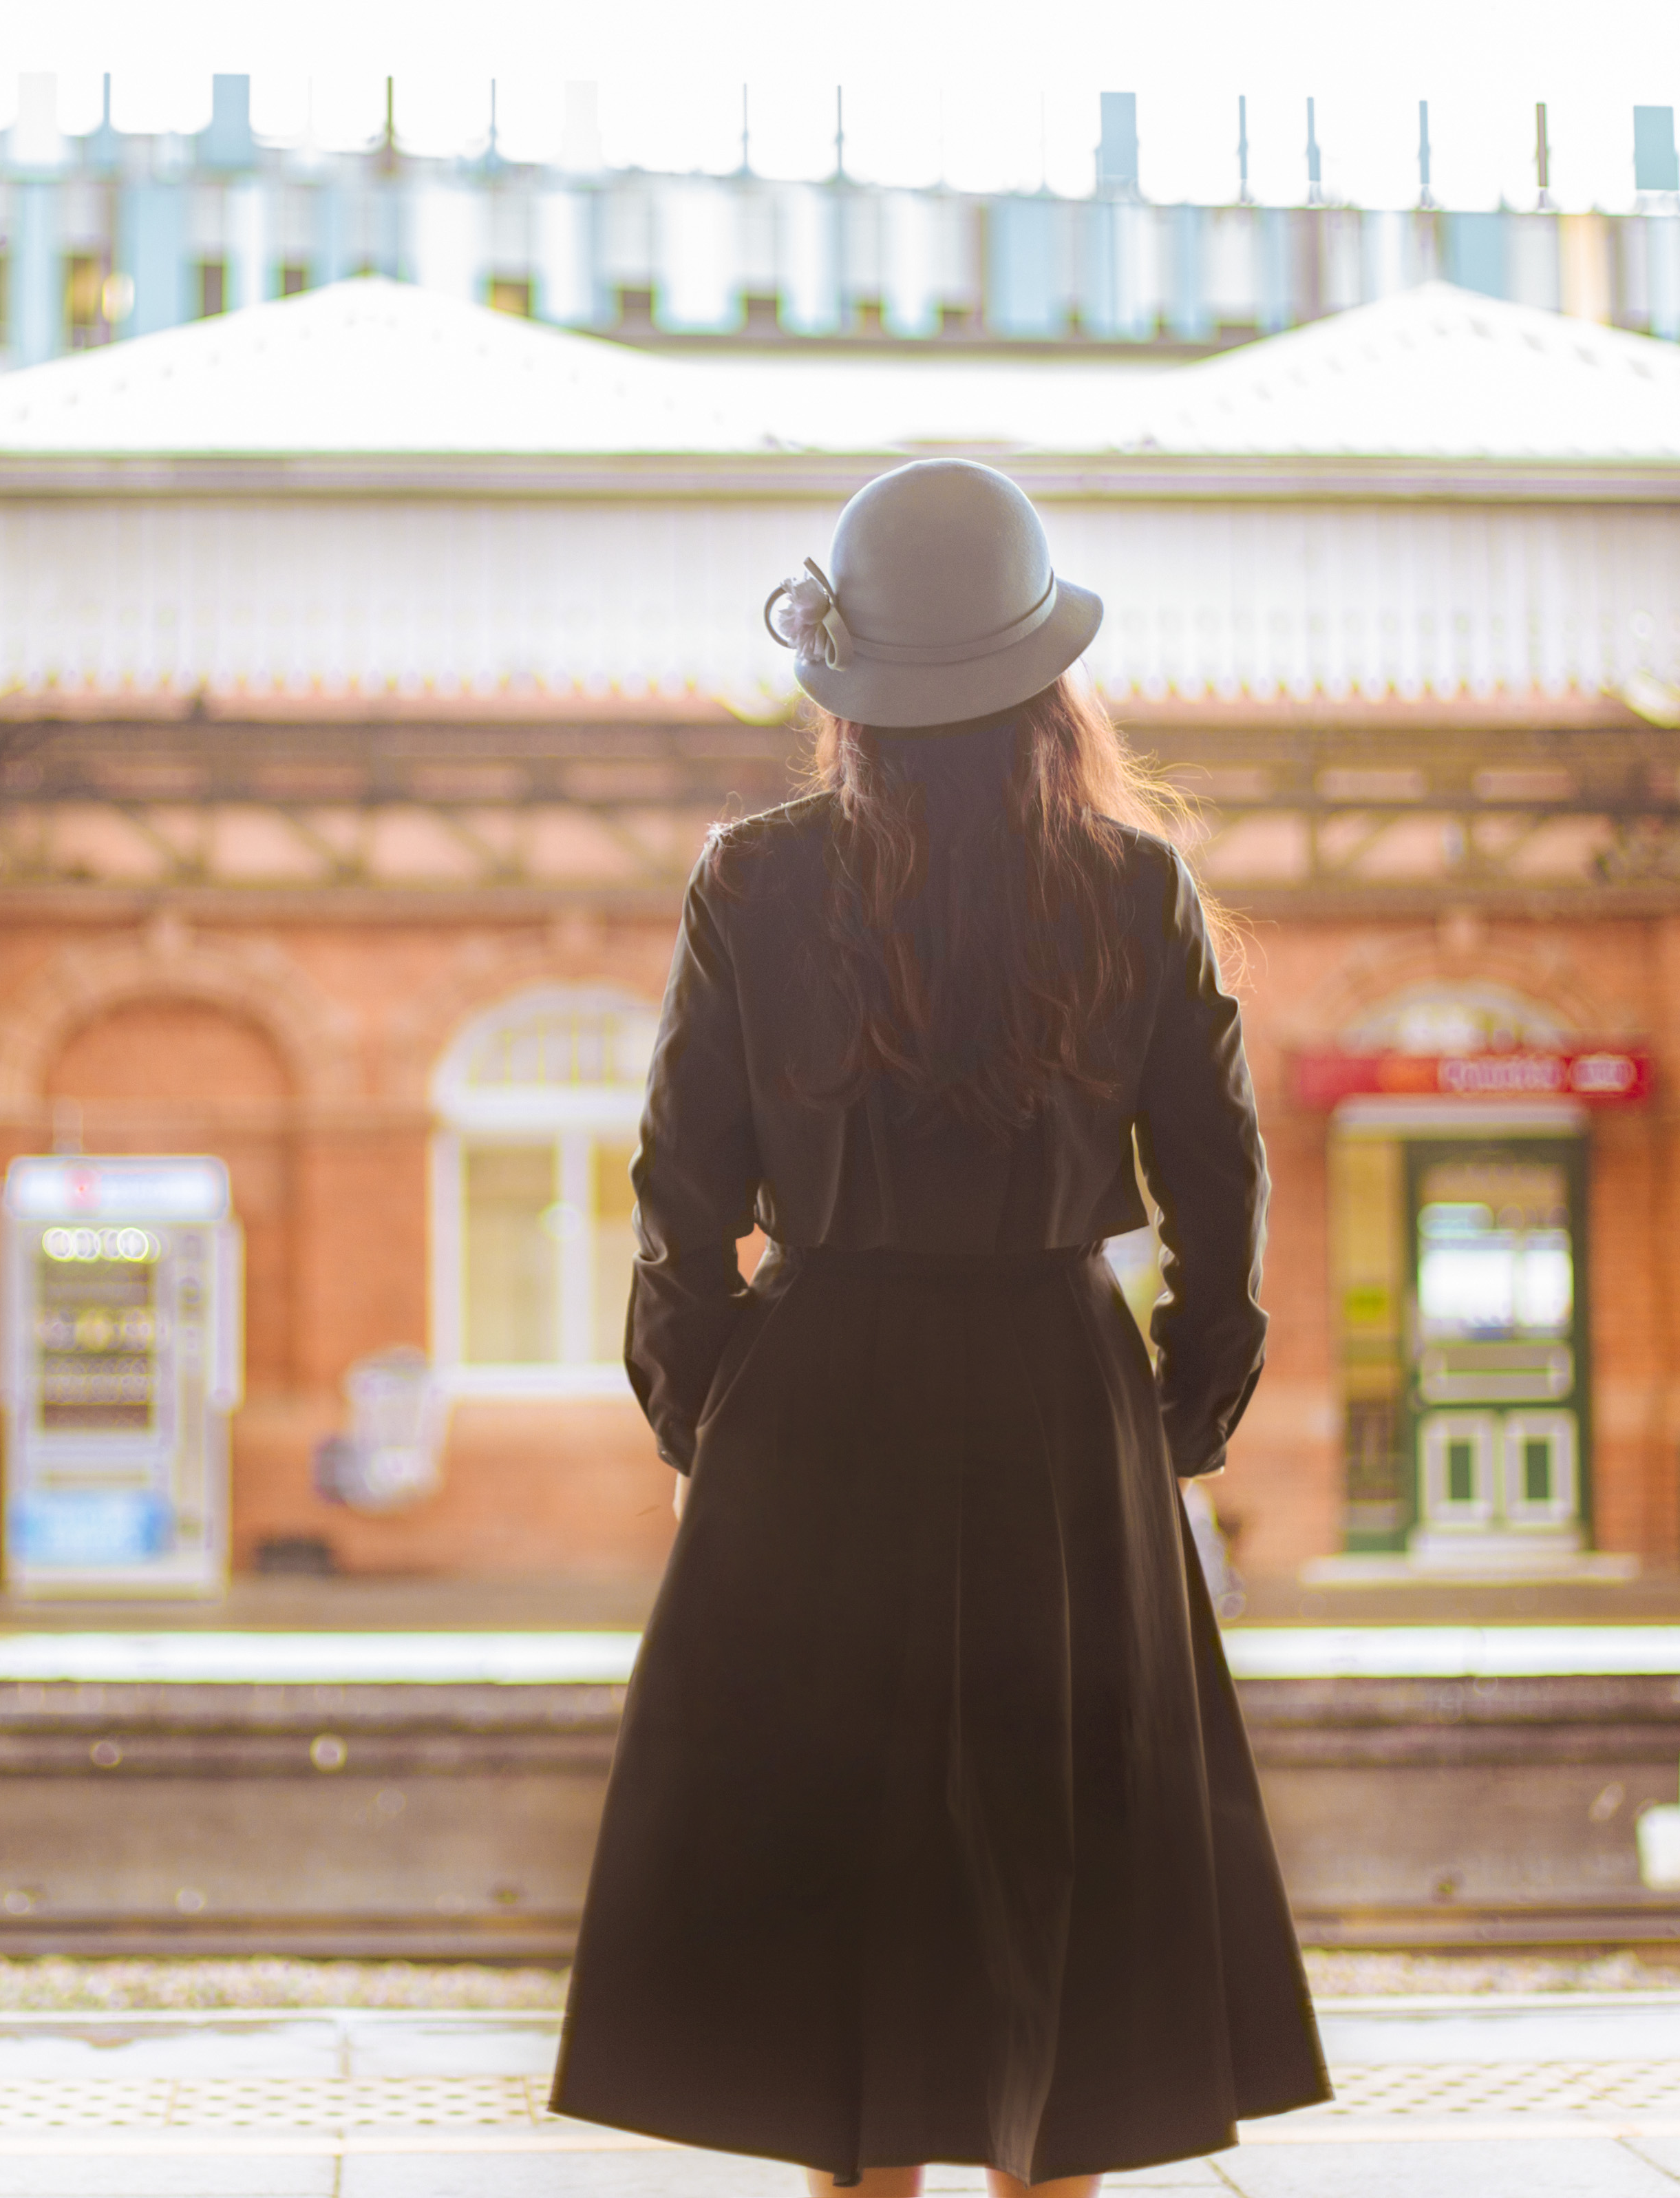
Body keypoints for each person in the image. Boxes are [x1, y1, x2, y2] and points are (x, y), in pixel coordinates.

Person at [548, 459, 1329, 2195]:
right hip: (1060, 1403)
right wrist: (1173, 1419)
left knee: (847, 1891)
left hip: (817, 1407)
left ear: (856, 699)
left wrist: (707, 1426)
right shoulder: (1137, 888)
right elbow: (1224, 1194)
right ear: (1050, 684)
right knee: (1076, 1883)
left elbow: (678, 1194)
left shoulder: (752, 883)